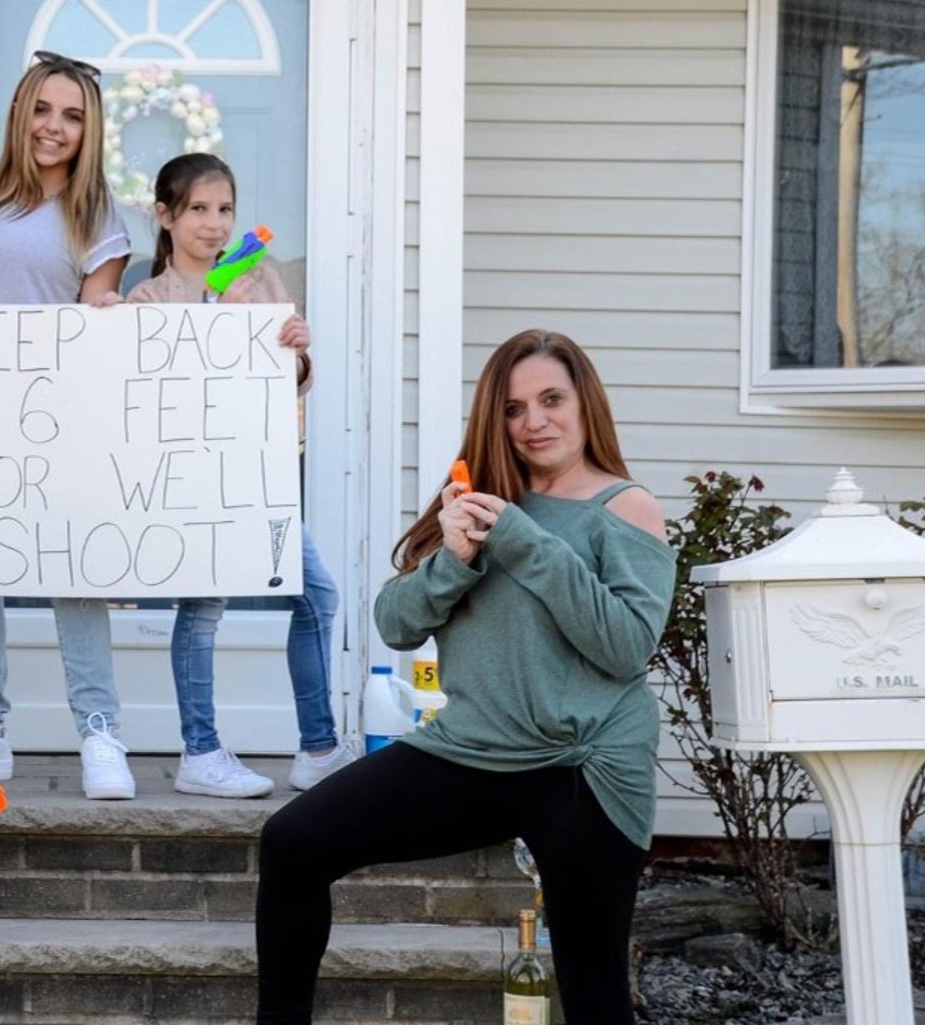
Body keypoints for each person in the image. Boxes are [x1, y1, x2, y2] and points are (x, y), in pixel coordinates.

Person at [252, 330, 675, 1024]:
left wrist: (525, 541)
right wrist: (454, 558)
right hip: (470, 750)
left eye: (550, 400)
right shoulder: (477, 497)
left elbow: (625, 646)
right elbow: (395, 622)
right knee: (294, 842)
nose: (533, 421)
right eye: (513, 408)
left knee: (592, 983)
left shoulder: (625, 507)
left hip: (584, 768)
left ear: (584, 403)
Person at [0, 50, 135, 799]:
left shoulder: (98, 216)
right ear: (20, 114)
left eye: (72, 116)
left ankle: (99, 732)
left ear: (89, 129)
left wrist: (105, 312)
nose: (54, 127)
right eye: (44, 110)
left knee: (74, 568)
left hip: (59, 406)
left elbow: (98, 316)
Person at [123, 153, 359, 799]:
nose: (214, 224)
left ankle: (316, 747)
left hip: (261, 470)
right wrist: (212, 312)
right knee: (203, 609)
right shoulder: (146, 298)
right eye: (198, 209)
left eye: (225, 209)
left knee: (316, 595)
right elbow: (149, 386)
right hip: (196, 475)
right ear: (165, 216)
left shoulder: (263, 279)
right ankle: (200, 748)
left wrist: (297, 349)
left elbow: (289, 382)